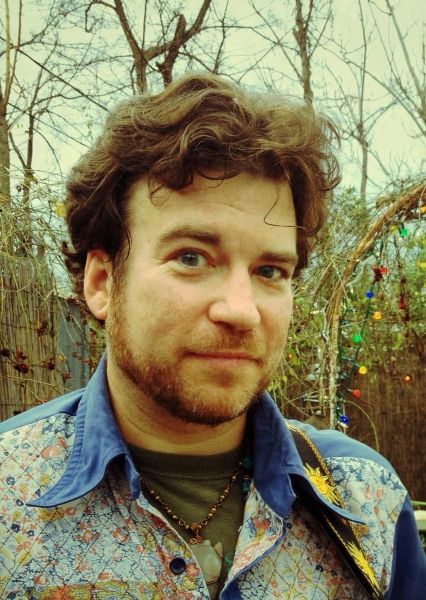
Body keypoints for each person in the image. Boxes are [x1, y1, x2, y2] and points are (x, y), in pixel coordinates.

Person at [0, 73, 424, 600]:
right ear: (103, 282)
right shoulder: (9, 494)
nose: (241, 311)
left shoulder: (367, 502)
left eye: (269, 271)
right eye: (191, 258)